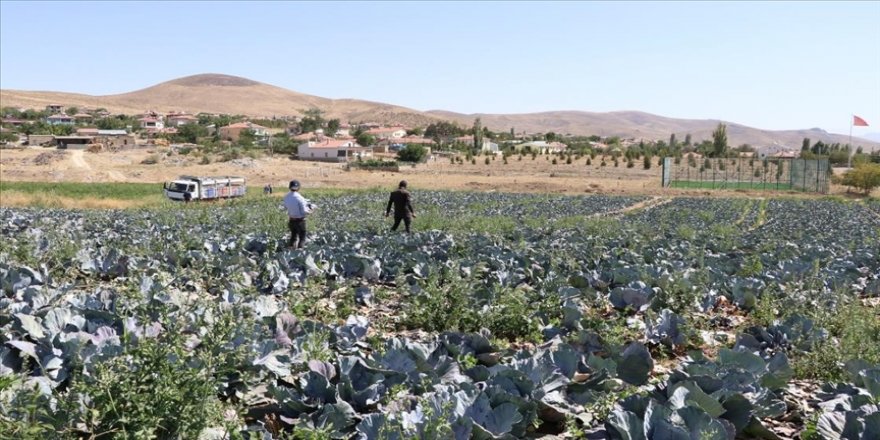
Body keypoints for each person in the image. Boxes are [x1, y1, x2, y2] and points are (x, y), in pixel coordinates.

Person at [283, 180, 315, 248]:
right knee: (302, 238)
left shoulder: (286, 197)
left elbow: (285, 207)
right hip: (300, 221)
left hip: (291, 220)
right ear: (298, 187)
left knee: (293, 237)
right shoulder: (300, 198)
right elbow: (304, 211)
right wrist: (311, 210)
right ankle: (300, 253)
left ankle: (290, 253)